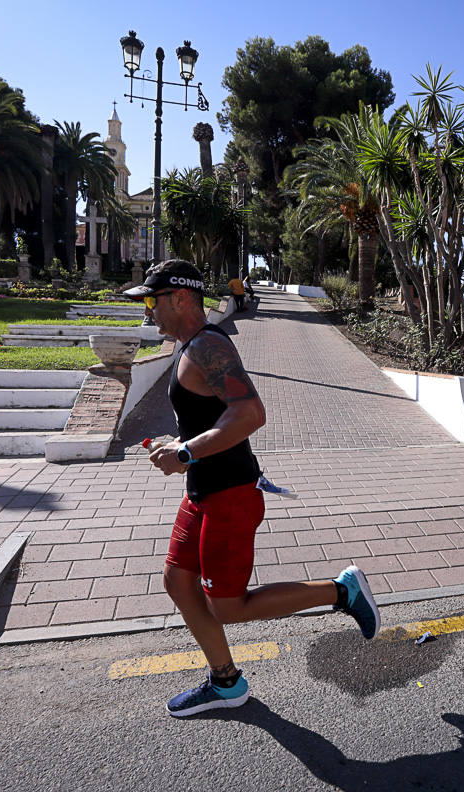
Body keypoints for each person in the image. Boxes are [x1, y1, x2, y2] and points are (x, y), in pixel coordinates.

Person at [126, 260, 380, 716]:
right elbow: (212, 418)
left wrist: (184, 454)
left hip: (230, 495)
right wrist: (182, 443)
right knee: (178, 583)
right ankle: (225, 681)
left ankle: (342, 592)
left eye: (152, 300)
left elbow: (249, 414)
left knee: (227, 606)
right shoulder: (189, 346)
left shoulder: (208, 346)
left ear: (181, 298)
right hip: (202, 490)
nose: (148, 310)